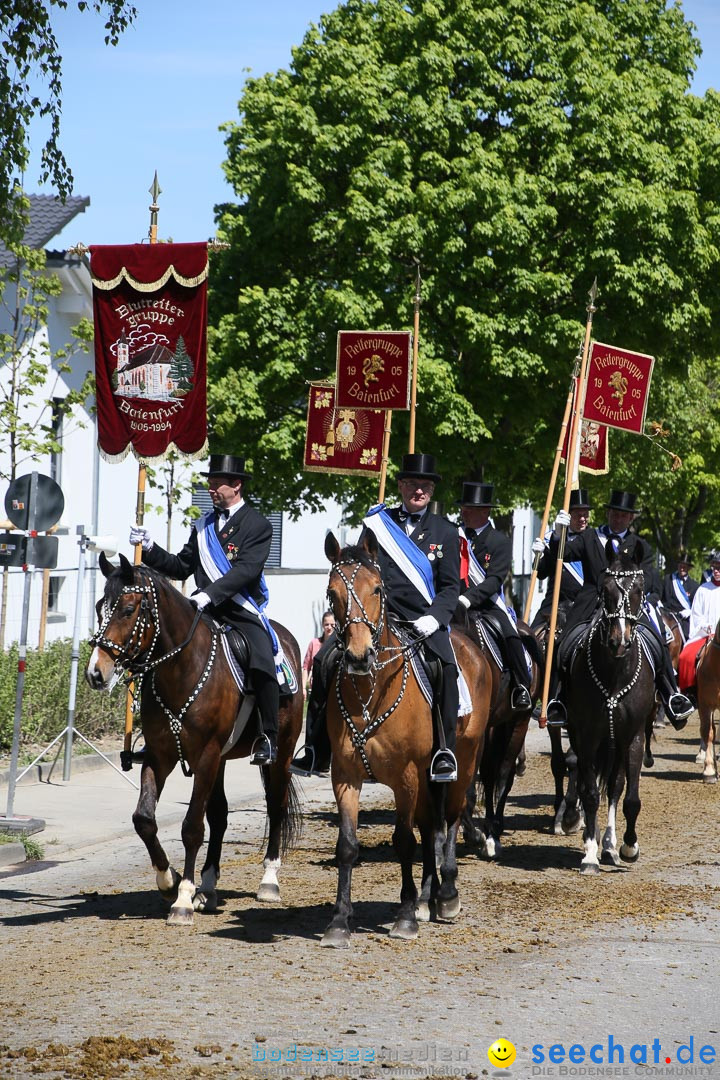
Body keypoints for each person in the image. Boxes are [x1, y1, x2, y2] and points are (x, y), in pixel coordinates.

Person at [291, 451, 461, 782]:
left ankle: (444, 750)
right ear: (400, 485)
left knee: (446, 668)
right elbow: (356, 572)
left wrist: (435, 617)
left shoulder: (446, 531)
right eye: (411, 483)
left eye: (424, 485)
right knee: (326, 661)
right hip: (375, 617)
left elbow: (451, 587)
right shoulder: (378, 525)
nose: (418, 490)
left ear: (432, 490)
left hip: (424, 620)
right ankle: (315, 749)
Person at [128, 452, 281, 767]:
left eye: (216, 485)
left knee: (263, 655)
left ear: (235, 485)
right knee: (157, 652)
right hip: (202, 610)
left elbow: (247, 570)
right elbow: (182, 566)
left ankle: (268, 735)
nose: (211, 490)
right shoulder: (203, 526)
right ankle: (153, 733)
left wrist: (210, 594)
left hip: (239, 610)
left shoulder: (258, 525)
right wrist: (152, 548)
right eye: (210, 484)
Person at [544, 488, 693, 729]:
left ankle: (671, 694)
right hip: (591, 600)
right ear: (609, 513)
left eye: (623, 516)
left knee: (657, 640)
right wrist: (558, 533)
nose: (618, 519)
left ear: (631, 518)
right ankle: (557, 699)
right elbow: (564, 553)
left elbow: (648, 579)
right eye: (614, 514)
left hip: (628, 605)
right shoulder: (589, 537)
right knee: (563, 642)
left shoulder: (640, 546)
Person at [455, 480, 532, 711]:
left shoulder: (499, 541)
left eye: (471, 509)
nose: (465, 512)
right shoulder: (454, 536)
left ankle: (521, 685)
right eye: (464, 508)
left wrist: (468, 598)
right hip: (453, 602)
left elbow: (494, 580)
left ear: (485, 511)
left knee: (510, 635)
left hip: (487, 604)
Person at [530, 488, 592, 632]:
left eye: (585, 515)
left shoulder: (594, 539)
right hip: (555, 603)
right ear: (568, 516)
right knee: (530, 639)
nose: (582, 519)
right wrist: (538, 557)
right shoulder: (552, 538)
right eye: (578, 515)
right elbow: (541, 573)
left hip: (585, 604)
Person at [678, 551, 720, 694]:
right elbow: (697, 614)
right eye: (714, 567)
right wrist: (705, 627)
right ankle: (689, 693)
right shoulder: (703, 589)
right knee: (685, 657)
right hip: (705, 634)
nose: (716, 571)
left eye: (719, 568)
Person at [661, 554, 699, 642]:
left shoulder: (694, 586)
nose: (682, 568)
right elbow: (661, 597)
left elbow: (696, 606)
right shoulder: (668, 579)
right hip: (667, 616)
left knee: (688, 638)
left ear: (689, 568)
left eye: (684, 567)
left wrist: (689, 612)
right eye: (680, 566)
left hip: (683, 619)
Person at [302, 611, 336, 696]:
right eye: (326, 624)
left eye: (332, 625)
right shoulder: (314, 644)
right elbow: (306, 667)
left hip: (332, 689)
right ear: (322, 625)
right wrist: (303, 688)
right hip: (316, 689)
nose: (329, 627)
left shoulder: (338, 646)